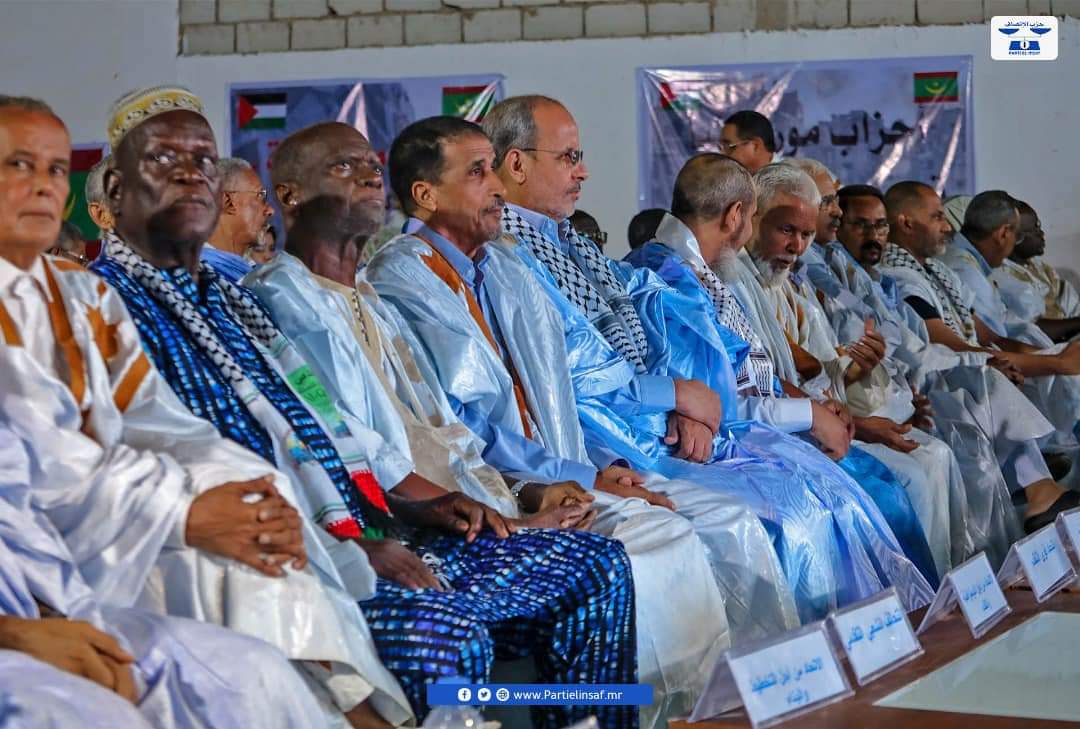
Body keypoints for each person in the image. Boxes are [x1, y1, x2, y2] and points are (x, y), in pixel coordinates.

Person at [89, 87, 638, 729]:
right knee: (446, 637)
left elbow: (324, 429)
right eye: (164, 160)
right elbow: (163, 470)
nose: (191, 176)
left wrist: (443, 505)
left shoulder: (228, 302)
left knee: (599, 566)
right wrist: (353, 539)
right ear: (114, 194)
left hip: (368, 524)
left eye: (205, 162)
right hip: (242, 560)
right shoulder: (107, 305)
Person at [0, 91, 413, 728]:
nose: (43, 185)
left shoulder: (82, 299)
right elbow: (52, 469)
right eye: (18, 164)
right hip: (58, 574)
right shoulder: (117, 290)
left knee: (254, 672)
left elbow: (161, 426)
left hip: (80, 564)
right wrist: (186, 511)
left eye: (55, 168)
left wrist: (244, 496)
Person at [364, 115, 768, 729]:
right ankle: (660, 717)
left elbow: (569, 376)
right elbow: (462, 426)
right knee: (661, 544)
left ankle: (713, 710)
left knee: (700, 526)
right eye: (478, 173)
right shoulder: (403, 279)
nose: (496, 186)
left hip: (562, 470)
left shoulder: (501, 264)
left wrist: (603, 463)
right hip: (497, 488)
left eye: (494, 170)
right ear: (426, 194)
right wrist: (577, 478)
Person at [479, 95, 934, 619]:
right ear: (518, 164)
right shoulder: (514, 258)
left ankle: (881, 640)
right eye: (569, 157)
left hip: (663, 421)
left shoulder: (572, 245)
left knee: (828, 493)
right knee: (785, 514)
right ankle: (809, 660)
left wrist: (681, 400)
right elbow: (572, 376)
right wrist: (675, 396)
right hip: (615, 441)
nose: (583, 172)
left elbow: (650, 349)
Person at [0, 422, 333, 729]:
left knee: (253, 673)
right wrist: (179, 514)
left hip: (39, 601)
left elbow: (20, 500)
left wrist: (55, 611)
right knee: (80, 713)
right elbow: (52, 465)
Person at [744, 163, 963, 579]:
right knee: (910, 478)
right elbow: (772, 380)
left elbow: (823, 371)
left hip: (827, 417)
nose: (797, 246)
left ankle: (941, 591)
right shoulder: (740, 283)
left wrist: (858, 371)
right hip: (784, 431)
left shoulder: (792, 285)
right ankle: (909, 600)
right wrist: (856, 420)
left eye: (805, 234)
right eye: (787, 230)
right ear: (750, 218)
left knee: (936, 455)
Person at [879, 181, 1080, 532]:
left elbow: (987, 336)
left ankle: (1042, 479)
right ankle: (1039, 486)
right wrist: (1053, 363)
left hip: (959, 365)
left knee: (1008, 363)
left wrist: (1046, 356)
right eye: (937, 217)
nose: (948, 227)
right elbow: (950, 345)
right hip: (927, 382)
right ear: (907, 223)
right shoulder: (898, 275)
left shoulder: (937, 271)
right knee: (986, 376)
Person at [993, 199, 1080, 334]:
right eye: (1034, 229)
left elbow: (1071, 306)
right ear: (1012, 236)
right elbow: (1030, 329)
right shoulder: (1001, 275)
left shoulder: (1042, 269)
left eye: (1039, 226)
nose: (1041, 234)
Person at [201, 157, 274, 282]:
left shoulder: (253, 275)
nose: (270, 211)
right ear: (227, 202)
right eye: (261, 196)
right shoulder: (198, 280)